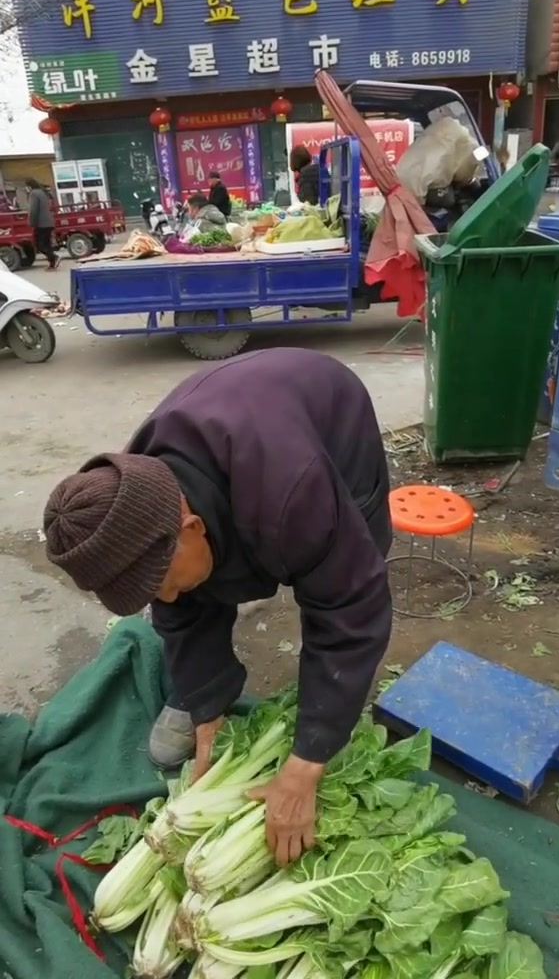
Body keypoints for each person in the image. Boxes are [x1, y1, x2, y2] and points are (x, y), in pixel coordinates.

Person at [43, 348, 392, 866]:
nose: (160, 601)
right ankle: (203, 693)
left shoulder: (292, 491)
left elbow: (349, 611)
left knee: (343, 569)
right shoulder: (137, 489)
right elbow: (176, 605)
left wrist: (303, 767)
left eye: (157, 583)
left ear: (192, 528)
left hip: (330, 414)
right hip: (238, 421)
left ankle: (324, 727)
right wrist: (208, 709)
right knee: (184, 593)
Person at [25, 178, 58, 270]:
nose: (26, 189)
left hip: (41, 223)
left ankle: (53, 257)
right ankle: (52, 263)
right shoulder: (43, 192)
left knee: (40, 245)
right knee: (46, 244)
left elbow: (34, 209)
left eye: (26, 187)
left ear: (29, 186)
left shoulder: (34, 193)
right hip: (49, 222)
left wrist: (31, 222)